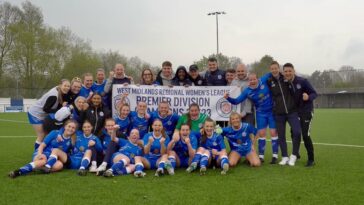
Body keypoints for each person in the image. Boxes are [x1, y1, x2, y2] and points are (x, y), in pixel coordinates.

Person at [224, 73, 279, 163]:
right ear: (248, 81)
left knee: (273, 132)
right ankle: (261, 156)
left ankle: (275, 156)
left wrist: (279, 74)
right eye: (250, 80)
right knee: (261, 133)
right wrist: (228, 98)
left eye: (254, 79)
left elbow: (272, 73)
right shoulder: (247, 91)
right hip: (261, 113)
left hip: (271, 112)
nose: (253, 81)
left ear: (257, 79)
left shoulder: (263, 79)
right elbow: (236, 101)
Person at [8, 120, 77, 178]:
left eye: (73, 128)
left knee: (59, 165)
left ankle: (37, 168)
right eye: (69, 126)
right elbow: (42, 145)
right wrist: (39, 154)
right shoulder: (54, 133)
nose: (70, 129)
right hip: (43, 152)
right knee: (43, 161)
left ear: (75, 130)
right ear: (65, 127)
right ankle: (19, 171)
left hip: (52, 159)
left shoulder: (71, 141)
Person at [265, 61, 302, 165]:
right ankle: (285, 156)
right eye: (272, 69)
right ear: (270, 70)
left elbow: (297, 83)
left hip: (292, 112)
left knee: (297, 132)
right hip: (278, 113)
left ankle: (294, 155)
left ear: (279, 68)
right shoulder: (269, 81)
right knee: (281, 135)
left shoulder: (286, 78)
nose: (274, 70)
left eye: (275, 68)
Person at [283, 63, 318, 167]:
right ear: (283, 72)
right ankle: (296, 153)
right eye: (286, 71)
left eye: (290, 71)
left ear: (293, 71)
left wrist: (308, 97)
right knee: (294, 132)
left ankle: (311, 159)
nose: (288, 73)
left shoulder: (303, 81)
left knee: (305, 135)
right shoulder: (285, 83)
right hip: (295, 112)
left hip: (306, 111)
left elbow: (314, 93)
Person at [28, 79, 71, 150]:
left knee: (46, 135)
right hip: (35, 114)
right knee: (41, 135)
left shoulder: (58, 89)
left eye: (68, 86)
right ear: (60, 85)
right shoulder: (54, 96)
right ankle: (36, 153)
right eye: (65, 85)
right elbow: (46, 109)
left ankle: (43, 151)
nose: (67, 88)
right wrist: (60, 110)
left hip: (41, 114)